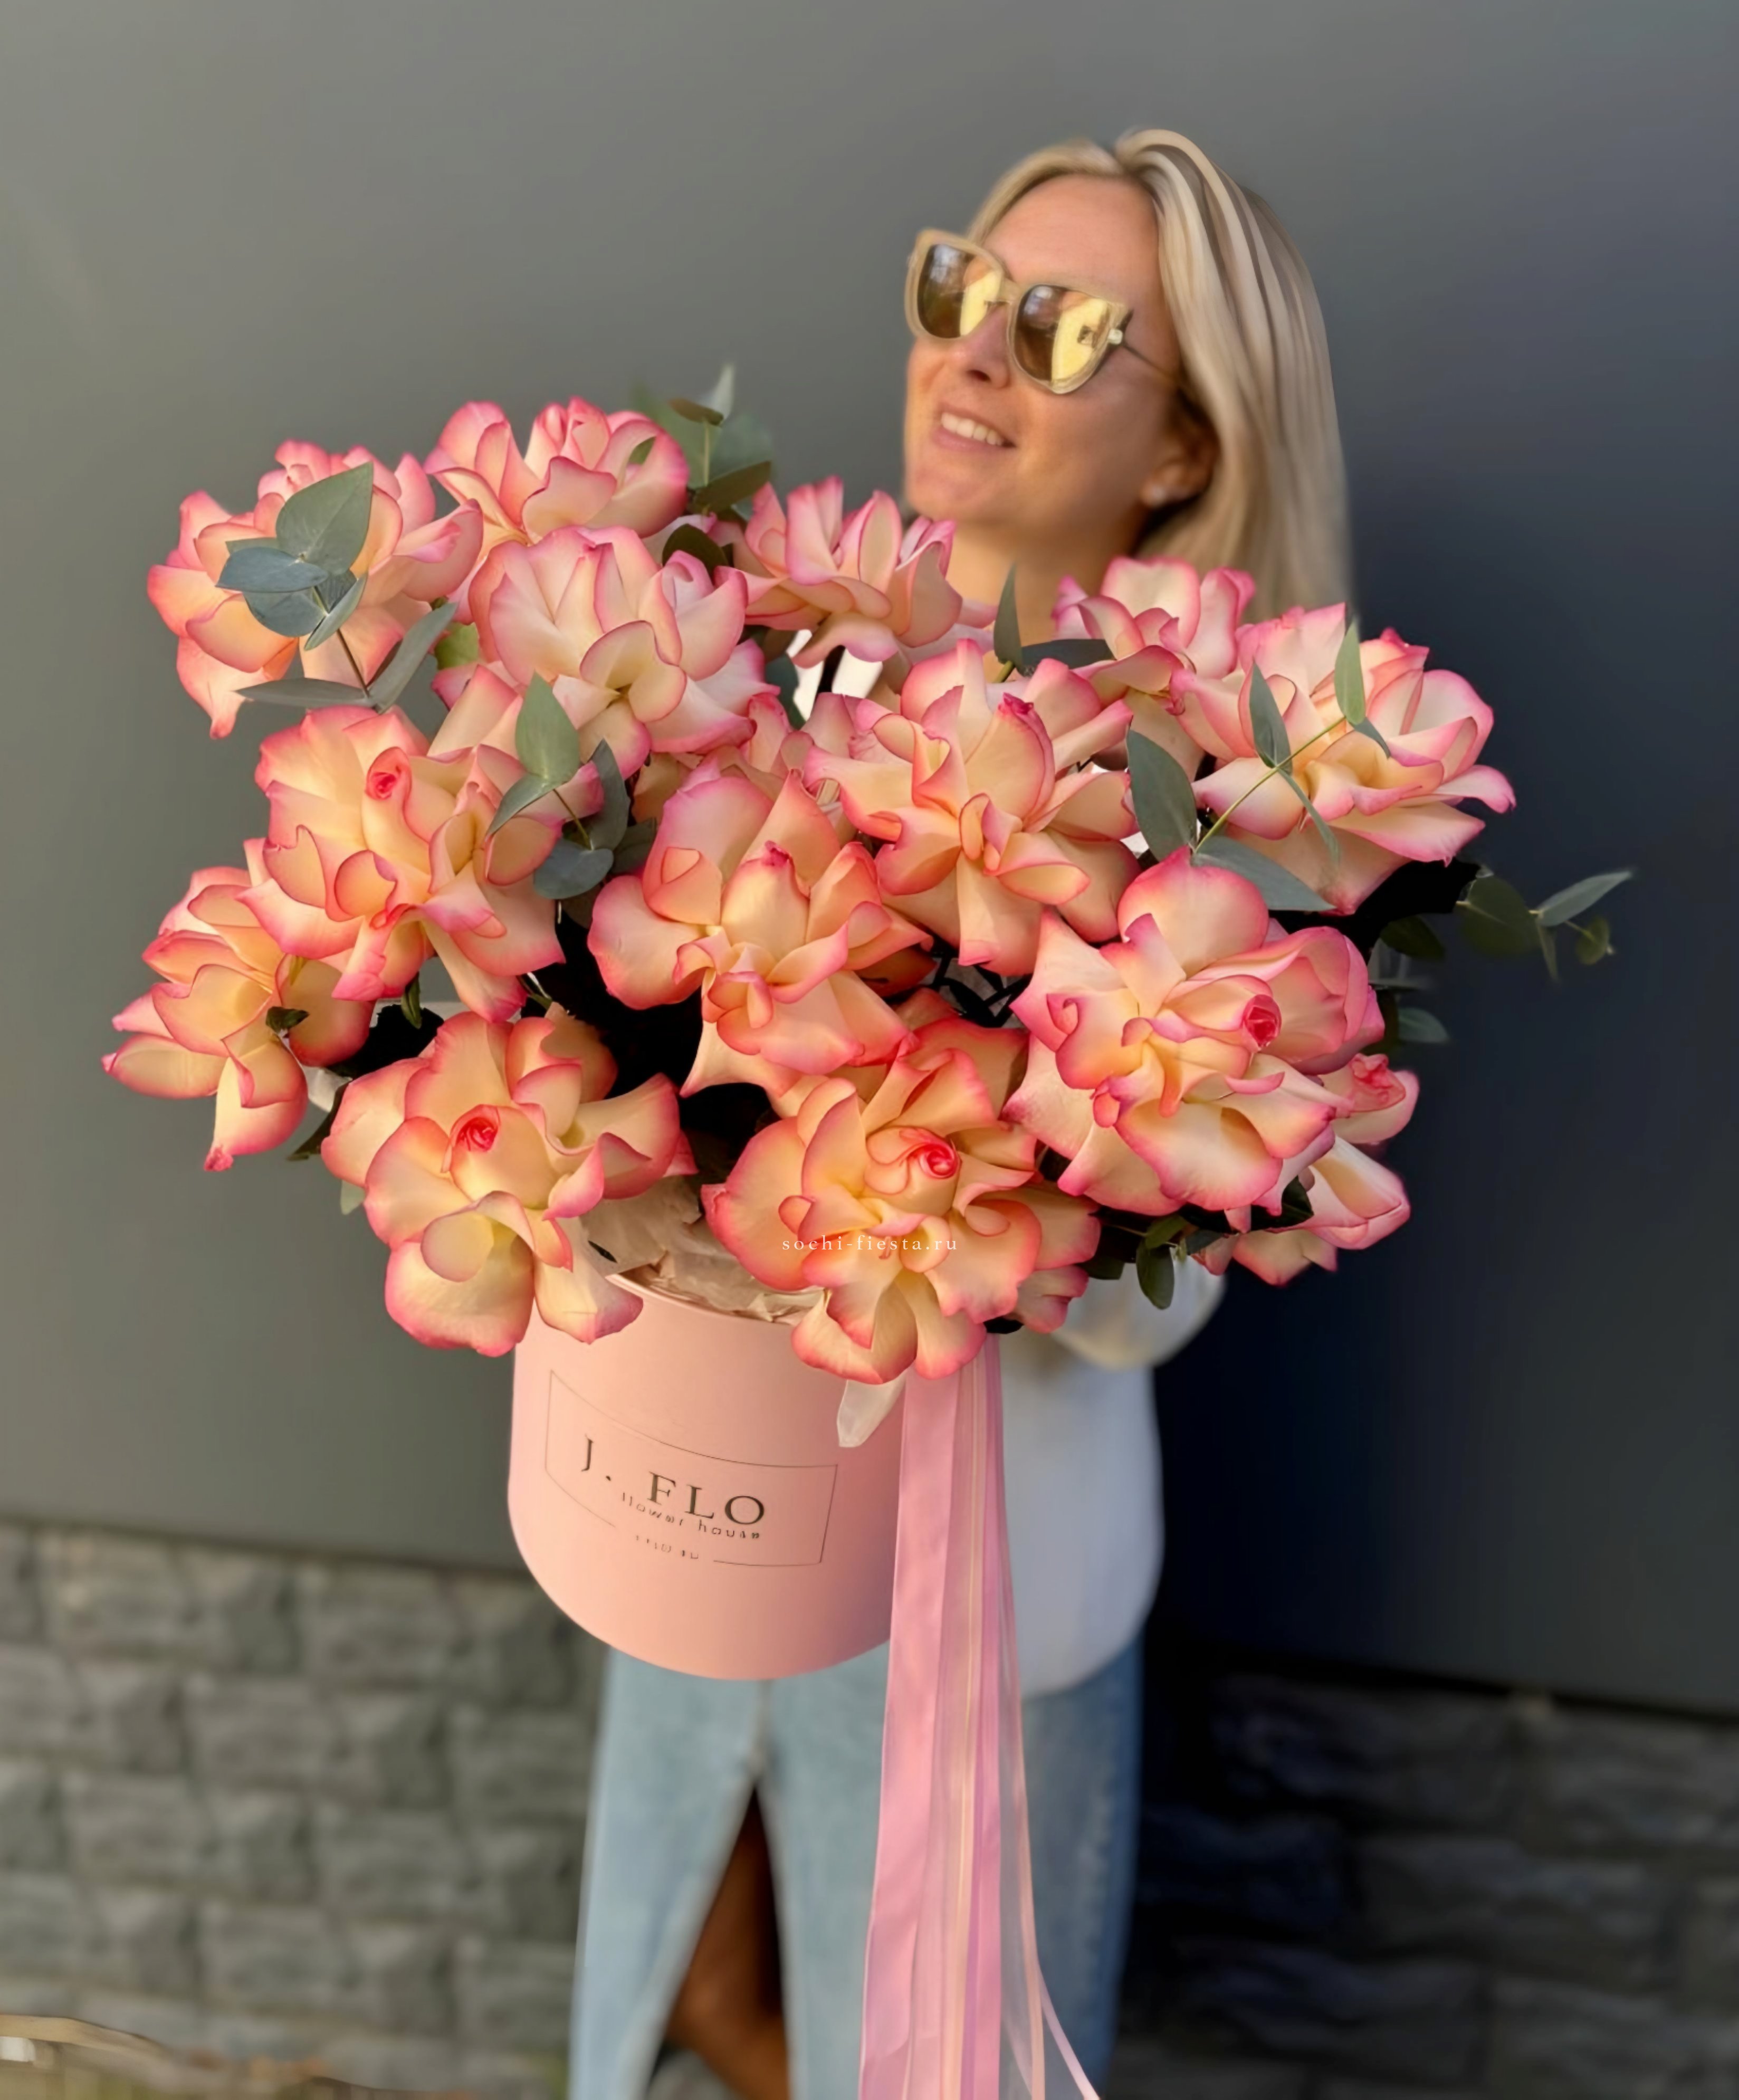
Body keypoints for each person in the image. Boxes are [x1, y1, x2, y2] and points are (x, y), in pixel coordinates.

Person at [570, 127, 1353, 2100]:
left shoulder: (1222, 786)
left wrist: (962, 1136)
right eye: (959, 290)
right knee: (681, 2008)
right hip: (708, 1528)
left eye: (1067, 328)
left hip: (984, 1612)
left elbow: (1160, 1298)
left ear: (1186, 446)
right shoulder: (760, 664)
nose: (976, 354)